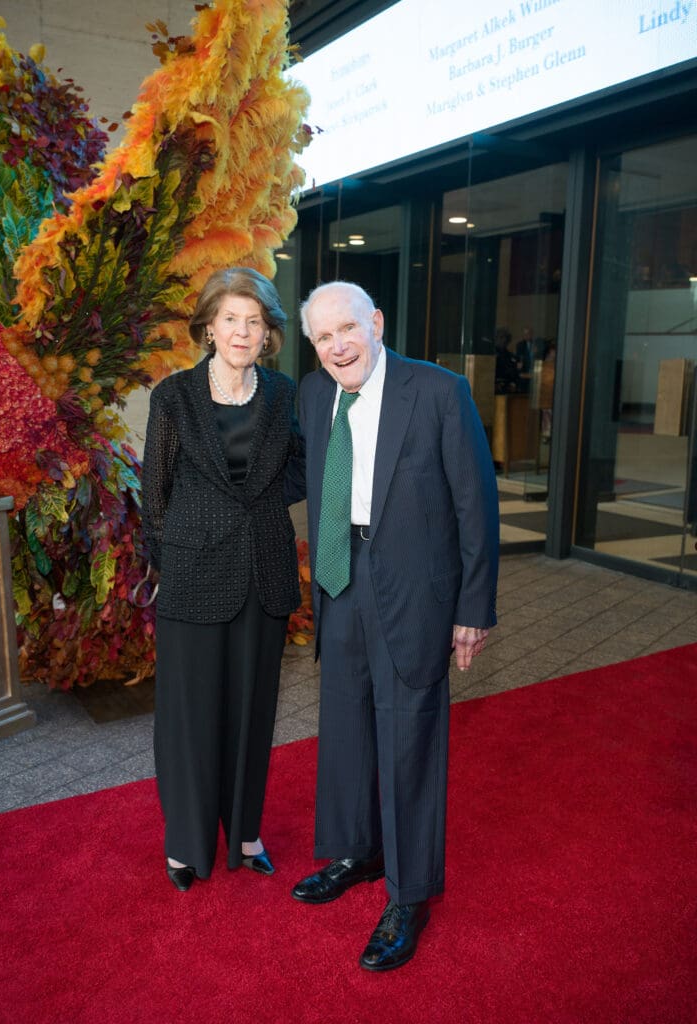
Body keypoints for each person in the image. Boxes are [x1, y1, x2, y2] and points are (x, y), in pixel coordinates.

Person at [291, 281, 499, 971]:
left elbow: (476, 506)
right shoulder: (315, 394)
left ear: (376, 323)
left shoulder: (439, 392)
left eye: (347, 329)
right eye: (322, 337)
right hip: (340, 577)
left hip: (415, 591)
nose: (337, 346)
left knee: (408, 736)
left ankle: (408, 896)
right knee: (347, 725)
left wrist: (473, 607)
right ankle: (358, 851)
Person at [141, 267, 305, 892]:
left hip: (262, 572)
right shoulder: (174, 396)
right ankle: (185, 844)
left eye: (254, 321)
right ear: (209, 326)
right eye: (231, 319)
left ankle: (245, 832)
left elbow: (301, 467)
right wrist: (179, 546)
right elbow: (153, 492)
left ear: (269, 333)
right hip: (192, 574)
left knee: (252, 713)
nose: (242, 331)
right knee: (188, 715)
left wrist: (259, 503)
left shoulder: (284, 394)